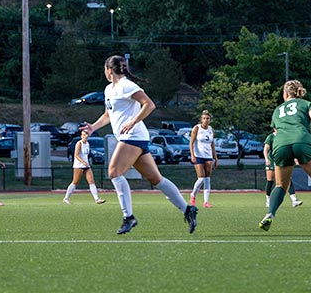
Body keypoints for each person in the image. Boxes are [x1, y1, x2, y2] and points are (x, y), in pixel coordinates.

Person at [82, 55, 197, 235]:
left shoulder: (127, 86)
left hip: (133, 136)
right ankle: (188, 210)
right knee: (156, 179)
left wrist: (134, 121)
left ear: (109, 70)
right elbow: (108, 114)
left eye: (105, 69)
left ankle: (129, 217)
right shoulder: (109, 89)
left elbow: (149, 105)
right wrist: (93, 127)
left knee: (114, 172)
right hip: (133, 138)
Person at [258, 80, 311, 232]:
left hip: (280, 144)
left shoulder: (277, 110)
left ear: (285, 94)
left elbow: (276, 130)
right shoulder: (307, 104)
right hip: (301, 140)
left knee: (281, 185)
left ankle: (269, 214)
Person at [63, 129, 106, 205]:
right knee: (75, 182)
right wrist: (83, 162)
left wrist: (87, 163)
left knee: (91, 181)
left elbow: (87, 154)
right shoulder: (79, 143)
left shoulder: (87, 144)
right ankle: (66, 198)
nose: (85, 136)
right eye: (83, 135)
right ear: (81, 136)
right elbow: (76, 155)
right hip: (78, 166)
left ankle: (97, 199)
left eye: (86, 135)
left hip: (86, 166)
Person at [262, 131, 302, 209]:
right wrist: (266, 159)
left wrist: (295, 158)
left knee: (288, 180)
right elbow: (266, 149)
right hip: (272, 161)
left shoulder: (285, 136)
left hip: (282, 161)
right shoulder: (271, 137)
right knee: (270, 181)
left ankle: (294, 200)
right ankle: (268, 200)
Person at [188, 110, 218, 208]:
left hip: (208, 156)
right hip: (198, 155)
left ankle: (206, 202)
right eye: (204, 118)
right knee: (201, 178)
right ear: (201, 119)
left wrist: (215, 158)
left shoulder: (211, 130)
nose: (205, 120)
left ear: (210, 120)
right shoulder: (196, 128)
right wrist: (192, 155)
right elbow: (191, 142)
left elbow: (212, 144)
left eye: (207, 118)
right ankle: (193, 195)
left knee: (207, 179)